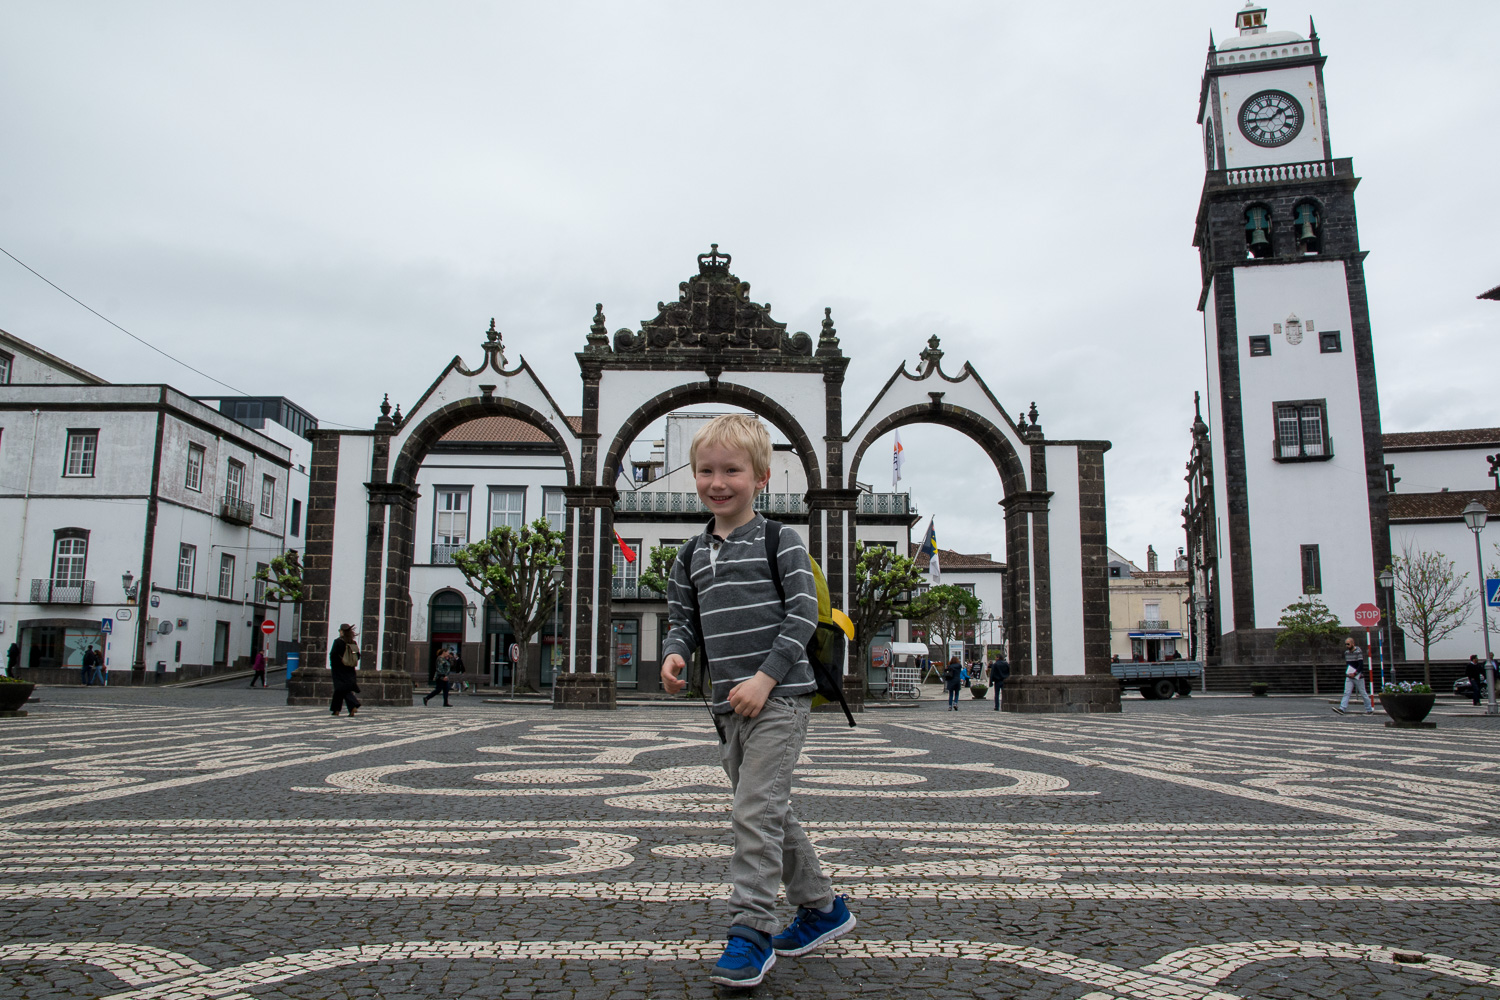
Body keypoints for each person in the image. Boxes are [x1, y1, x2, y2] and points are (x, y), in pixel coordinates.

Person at [659, 414, 853, 989]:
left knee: (753, 812)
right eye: (706, 471)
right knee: (769, 810)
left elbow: (800, 618)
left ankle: (752, 932)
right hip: (725, 707)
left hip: (781, 699)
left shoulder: (780, 541)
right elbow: (682, 622)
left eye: (732, 471)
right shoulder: (689, 555)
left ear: (761, 477)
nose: (718, 482)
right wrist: (675, 655)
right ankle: (823, 909)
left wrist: (766, 679)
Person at [1333, 636, 1373, 715]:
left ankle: (1369, 709)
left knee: (1363, 693)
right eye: (1346, 644)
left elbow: (1361, 665)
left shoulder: (1358, 652)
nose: (1347, 646)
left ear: (1352, 644)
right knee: (1347, 692)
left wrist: (1355, 673)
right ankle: (1342, 708)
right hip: (1349, 675)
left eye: (1348, 644)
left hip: (1358, 676)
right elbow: (1348, 664)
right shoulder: (1346, 653)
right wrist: (1348, 673)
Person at [328, 624, 361, 717]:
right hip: (350, 669)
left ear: (342, 631)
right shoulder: (352, 643)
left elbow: (333, 655)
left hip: (339, 669)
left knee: (342, 689)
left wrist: (335, 665)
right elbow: (358, 656)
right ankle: (336, 710)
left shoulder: (338, 642)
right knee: (340, 690)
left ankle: (354, 704)